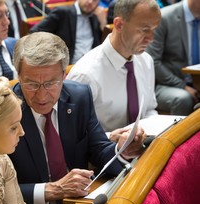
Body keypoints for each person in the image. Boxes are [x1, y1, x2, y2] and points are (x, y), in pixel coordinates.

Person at [8, 32, 146, 204]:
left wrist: (123, 151)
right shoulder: (4, 111)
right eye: (31, 84)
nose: (41, 96)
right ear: (19, 76)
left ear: (64, 75)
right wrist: (52, 190)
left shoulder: (79, 96)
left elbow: (98, 150)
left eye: (50, 83)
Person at [67, 0, 160, 132]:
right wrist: (114, 139)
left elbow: (150, 109)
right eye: (144, 30)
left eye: (153, 30)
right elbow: (74, 134)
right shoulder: (86, 74)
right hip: (103, 150)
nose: (151, 38)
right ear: (119, 24)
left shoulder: (146, 61)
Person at [146, 0, 199, 115]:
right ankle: (181, 133)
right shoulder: (164, 17)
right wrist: (182, 86)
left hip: (197, 83)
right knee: (183, 99)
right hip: (165, 84)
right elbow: (153, 61)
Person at [29, 0, 102, 64]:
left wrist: (103, 23)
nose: (90, 2)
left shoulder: (95, 16)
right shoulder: (63, 12)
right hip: (69, 65)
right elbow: (34, 32)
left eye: (94, 0)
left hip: (91, 63)